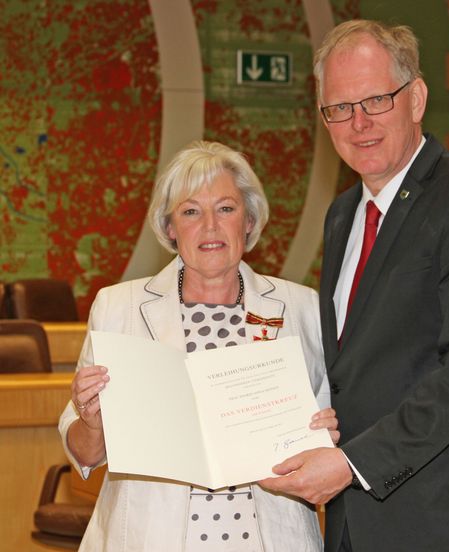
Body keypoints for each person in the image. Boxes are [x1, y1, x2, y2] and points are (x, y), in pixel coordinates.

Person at [259, 19, 449, 552]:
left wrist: (353, 463)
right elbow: (361, 369)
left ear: (415, 98)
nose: (359, 123)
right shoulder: (343, 214)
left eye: (376, 100)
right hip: (360, 520)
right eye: (339, 108)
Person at [59, 140, 339, 552]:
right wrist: (92, 420)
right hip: (146, 539)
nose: (210, 225)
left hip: (272, 539)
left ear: (248, 220)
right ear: (170, 228)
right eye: (191, 211)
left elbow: (329, 437)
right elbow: (85, 455)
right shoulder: (119, 307)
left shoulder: (303, 308)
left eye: (226, 208)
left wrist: (326, 434)